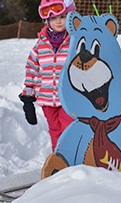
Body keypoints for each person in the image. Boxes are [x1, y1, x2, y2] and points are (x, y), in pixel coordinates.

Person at [19, 0, 76, 151]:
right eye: (53, 18)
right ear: (47, 20)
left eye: (62, 16)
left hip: (69, 97)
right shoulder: (41, 44)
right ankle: (57, 159)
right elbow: (32, 68)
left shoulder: (75, 41)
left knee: (68, 128)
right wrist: (28, 96)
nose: (58, 21)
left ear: (71, 16)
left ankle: (71, 160)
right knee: (54, 130)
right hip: (46, 98)